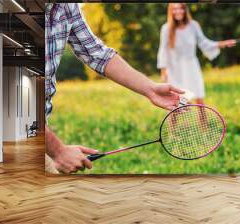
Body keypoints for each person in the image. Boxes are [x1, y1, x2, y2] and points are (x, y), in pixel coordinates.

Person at [45, 3, 184, 173]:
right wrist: (58, 150)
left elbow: (97, 53)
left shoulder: (66, 6)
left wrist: (150, 89)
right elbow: (6, 98)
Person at [157, 3, 236, 105]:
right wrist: (163, 72)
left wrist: (222, 44)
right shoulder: (166, 28)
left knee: (198, 96)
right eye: (175, 9)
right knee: (179, 100)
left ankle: (202, 121)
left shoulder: (193, 25)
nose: (178, 11)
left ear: (185, 10)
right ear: (171, 11)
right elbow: (163, 50)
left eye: (181, 9)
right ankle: (177, 120)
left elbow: (204, 42)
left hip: (191, 65)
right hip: (174, 68)